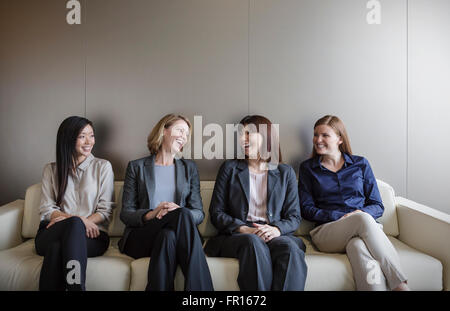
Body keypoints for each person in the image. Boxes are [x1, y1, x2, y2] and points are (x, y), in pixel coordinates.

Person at [298, 115, 410, 291]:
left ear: (340, 139)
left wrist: (357, 216)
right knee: (362, 218)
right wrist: (344, 217)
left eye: (325, 135)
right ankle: (401, 285)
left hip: (362, 231)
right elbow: (306, 209)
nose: (318, 140)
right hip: (327, 232)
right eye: (315, 135)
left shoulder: (360, 164)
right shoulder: (308, 168)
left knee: (358, 246)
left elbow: (377, 205)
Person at [204, 115, 308, 291]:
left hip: (272, 234)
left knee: (289, 247)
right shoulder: (229, 169)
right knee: (253, 242)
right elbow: (217, 213)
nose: (242, 139)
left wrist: (276, 229)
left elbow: (294, 216)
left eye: (248, 133)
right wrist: (245, 229)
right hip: (239, 235)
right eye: (240, 134)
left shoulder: (285, 172)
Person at [118, 114, 213, 291]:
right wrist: (152, 213)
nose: (184, 137)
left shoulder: (189, 168)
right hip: (142, 236)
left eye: (186, 134)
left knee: (168, 235)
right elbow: (126, 213)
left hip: (176, 236)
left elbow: (199, 213)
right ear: (164, 131)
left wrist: (177, 211)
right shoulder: (136, 167)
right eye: (180, 130)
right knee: (181, 216)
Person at [36, 116, 115, 291]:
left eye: (91, 135)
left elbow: (105, 211)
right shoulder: (51, 170)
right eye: (82, 136)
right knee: (72, 225)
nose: (89, 142)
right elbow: (47, 209)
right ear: (68, 139)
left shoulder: (103, 167)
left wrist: (79, 222)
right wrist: (79, 220)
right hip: (51, 233)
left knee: (58, 247)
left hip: (92, 237)